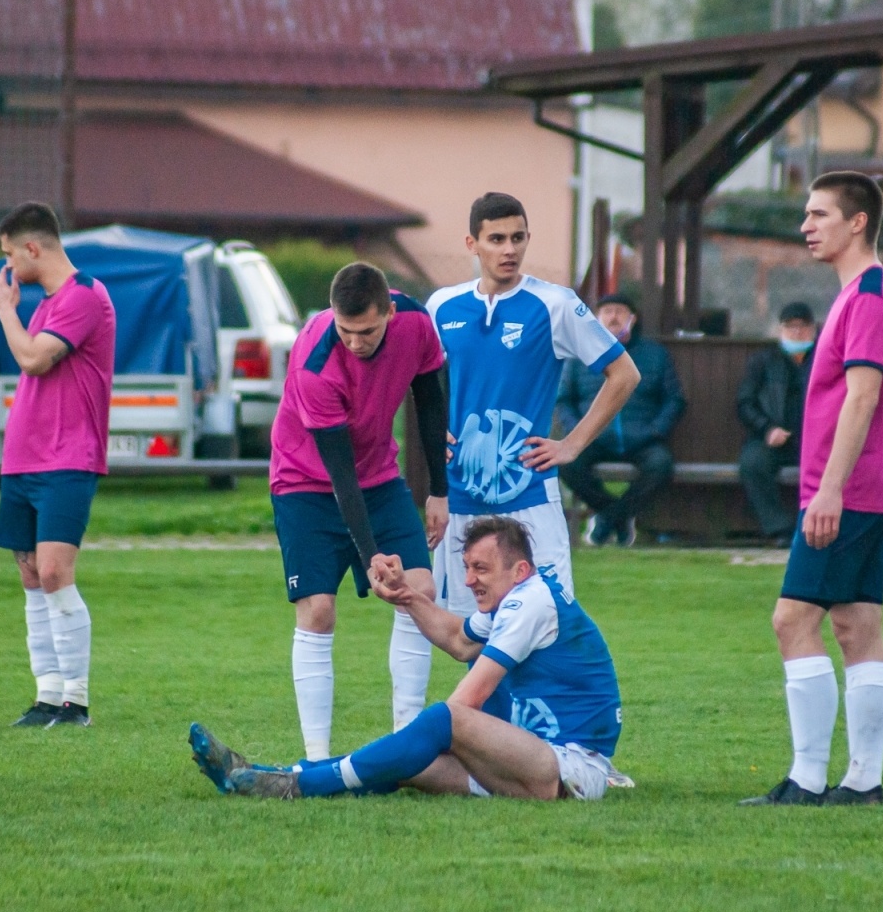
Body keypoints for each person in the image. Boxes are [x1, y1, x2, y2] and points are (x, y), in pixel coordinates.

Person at [189, 515, 625, 801]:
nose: (470, 580)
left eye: (481, 569)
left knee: (443, 720)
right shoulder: (520, 597)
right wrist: (407, 597)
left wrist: (439, 731)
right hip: (533, 762)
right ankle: (265, 776)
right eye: (467, 567)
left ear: (520, 571)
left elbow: (466, 703)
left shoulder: (528, 603)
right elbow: (459, 639)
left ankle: (294, 783)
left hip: (568, 769)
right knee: (407, 764)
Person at [741, 171, 883, 808]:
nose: (806, 226)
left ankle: (807, 780)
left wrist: (830, 490)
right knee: (858, 625)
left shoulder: (868, 295)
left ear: (858, 222)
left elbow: (864, 395)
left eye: (819, 215)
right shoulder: (863, 292)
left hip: (853, 490)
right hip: (870, 488)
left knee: (792, 620)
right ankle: (861, 784)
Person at [267, 262, 449, 757]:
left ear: (389, 312)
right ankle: (318, 759)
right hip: (305, 483)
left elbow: (430, 402)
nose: (354, 342)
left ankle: (406, 748)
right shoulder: (315, 363)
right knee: (320, 611)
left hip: (379, 477)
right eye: (345, 330)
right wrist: (370, 556)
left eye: (365, 331)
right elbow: (339, 474)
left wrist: (438, 490)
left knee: (420, 591)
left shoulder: (415, 323)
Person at [426, 192, 639, 610]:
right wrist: (433, 433)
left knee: (549, 621)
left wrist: (572, 444)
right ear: (472, 244)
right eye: (497, 239)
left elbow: (624, 374)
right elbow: (416, 381)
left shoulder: (555, 304)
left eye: (518, 238)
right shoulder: (441, 306)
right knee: (468, 629)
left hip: (530, 495)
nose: (509, 250)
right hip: (461, 495)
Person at [0, 202, 116, 730]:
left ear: (32, 249)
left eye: (8, 255)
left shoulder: (85, 296)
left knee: (54, 571)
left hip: (68, 456)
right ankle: (46, 695)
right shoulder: (44, 304)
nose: (7, 268)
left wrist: (3, 310)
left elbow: (34, 358)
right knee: (29, 575)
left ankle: (76, 701)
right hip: (25, 456)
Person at [556, 293, 686, 546]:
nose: (614, 317)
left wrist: (657, 430)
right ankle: (619, 517)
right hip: (592, 437)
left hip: (643, 437)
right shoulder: (578, 355)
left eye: (620, 311)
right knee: (566, 463)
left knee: (661, 465)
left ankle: (607, 520)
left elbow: (675, 399)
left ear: (633, 319)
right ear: (595, 318)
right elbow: (563, 400)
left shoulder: (655, 354)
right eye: (607, 311)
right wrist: (577, 431)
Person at [737, 303, 818, 546]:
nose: (797, 332)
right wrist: (767, 428)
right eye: (790, 327)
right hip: (773, 438)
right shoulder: (763, 360)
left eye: (803, 327)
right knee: (752, 463)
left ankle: (818, 528)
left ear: (814, 330)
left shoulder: (825, 358)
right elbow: (744, 402)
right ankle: (780, 530)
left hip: (816, 439)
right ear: (780, 329)